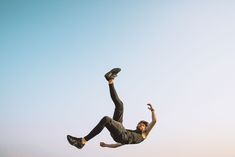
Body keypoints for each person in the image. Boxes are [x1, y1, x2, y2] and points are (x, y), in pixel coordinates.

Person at [67, 68, 157, 149]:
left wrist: (152, 111)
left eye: (142, 125)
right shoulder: (133, 134)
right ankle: (110, 80)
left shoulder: (144, 135)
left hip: (121, 134)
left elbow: (154, 121)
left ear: (145, 128)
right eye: (139, 123)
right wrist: (106, 145)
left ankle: (82, 141)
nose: (139, 125)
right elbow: (117, 145)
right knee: (120, 105)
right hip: (121, 131)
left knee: (106, 119)